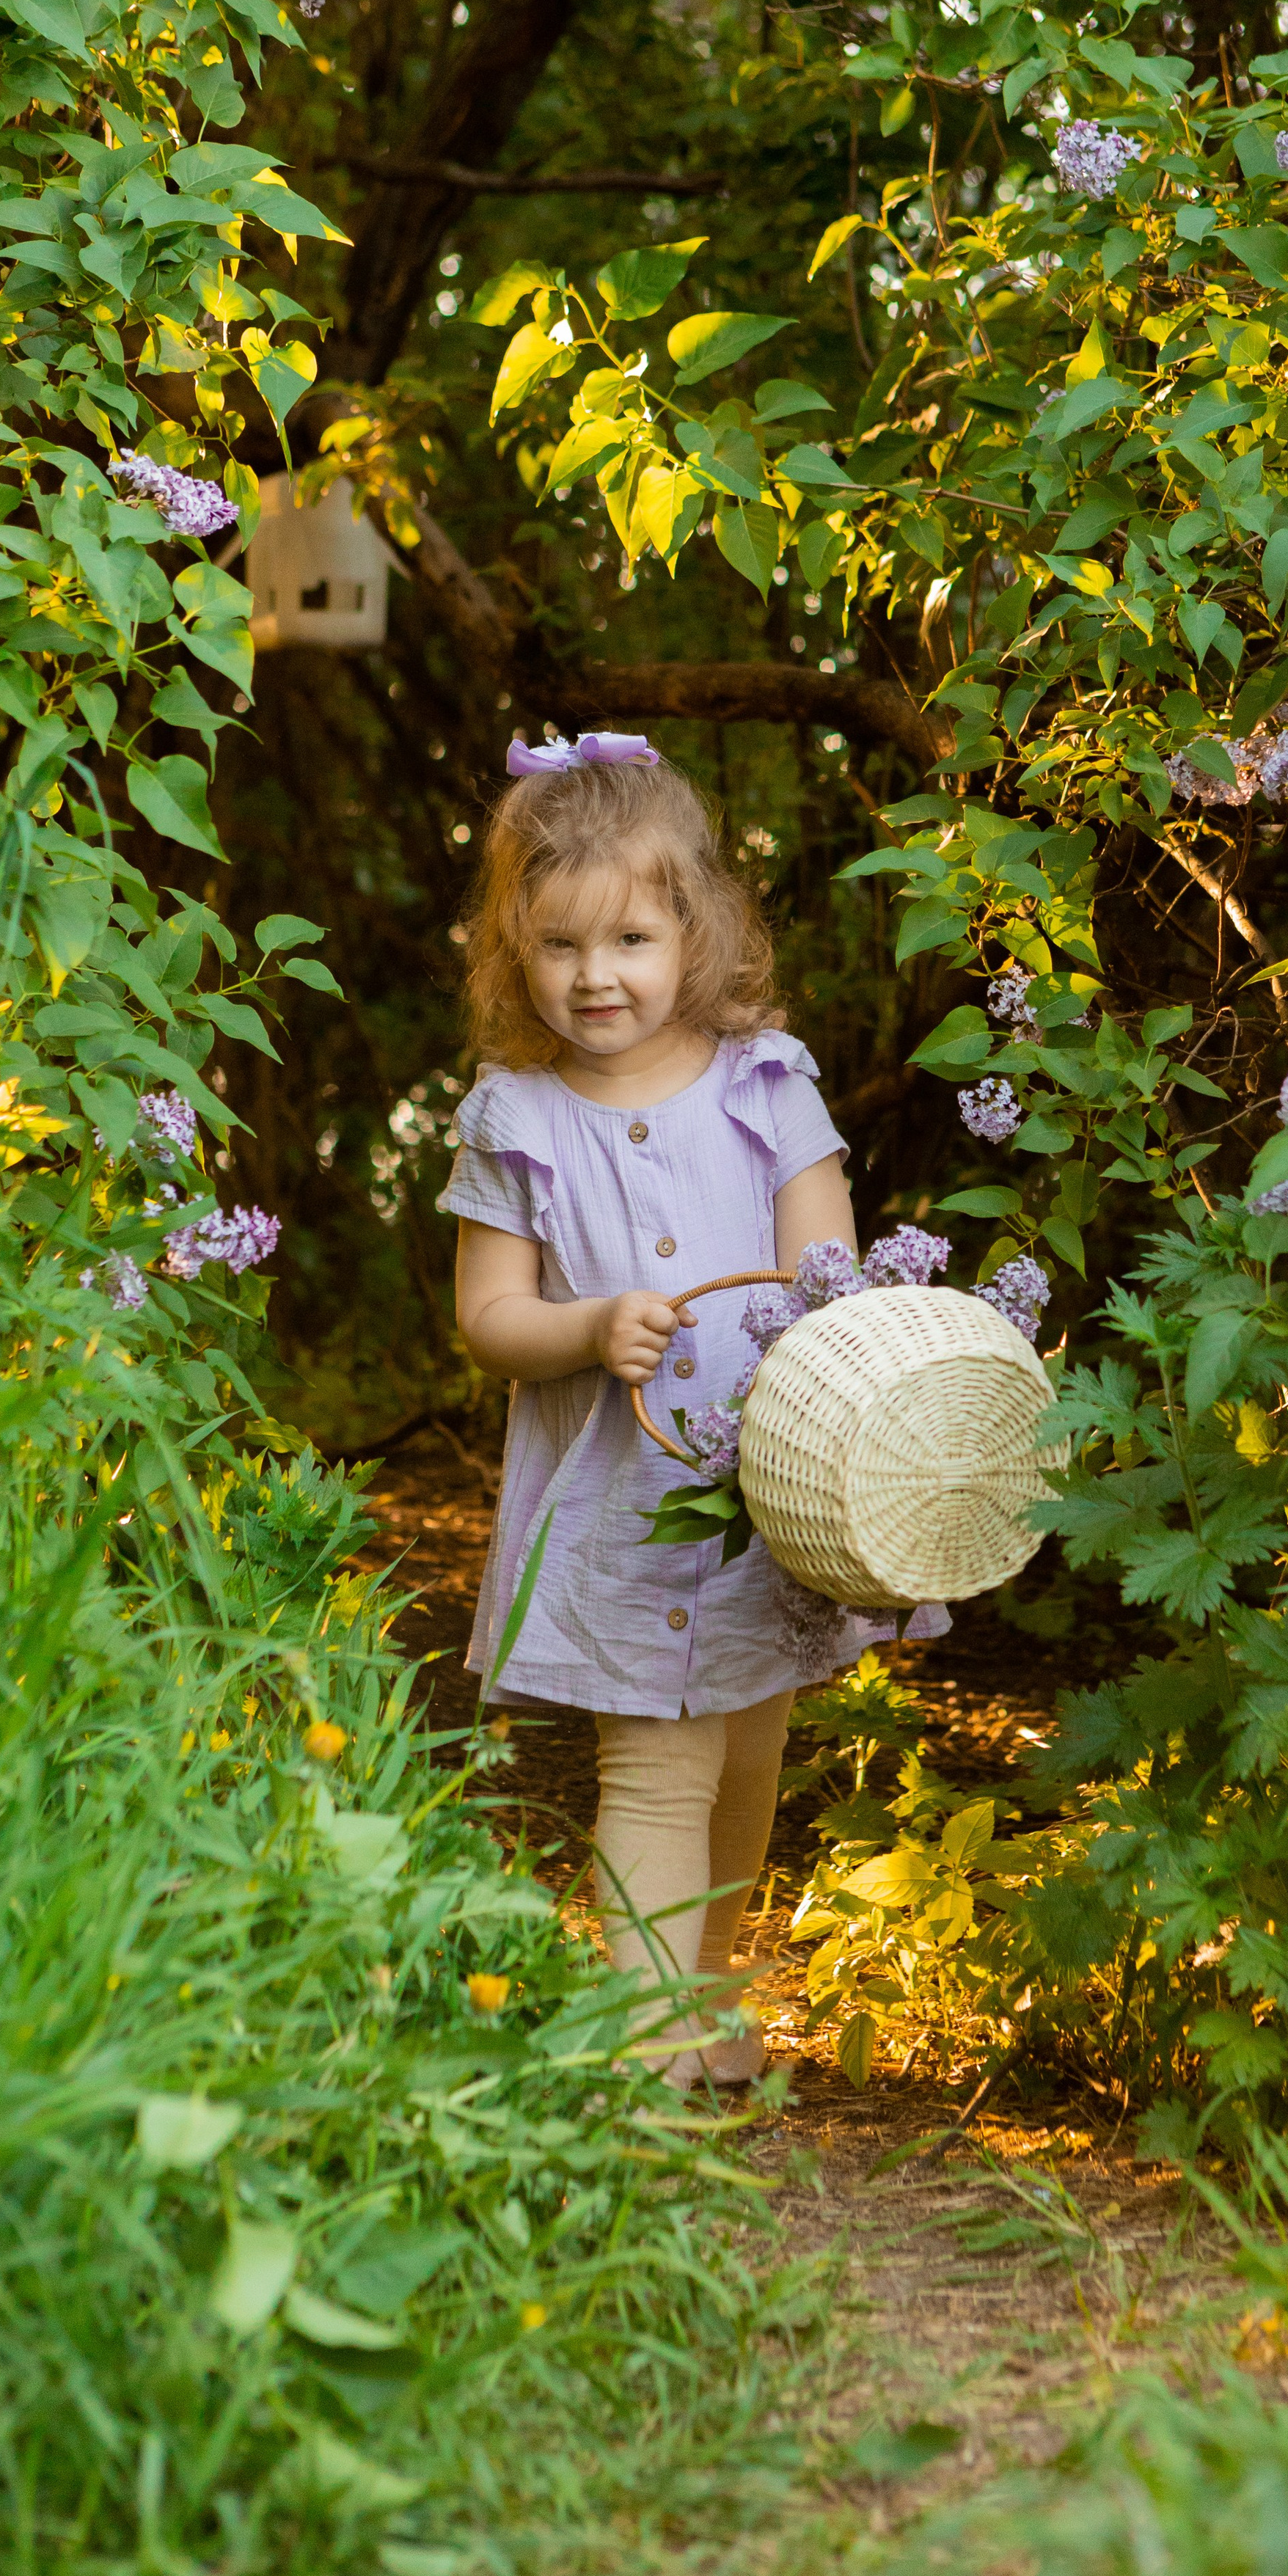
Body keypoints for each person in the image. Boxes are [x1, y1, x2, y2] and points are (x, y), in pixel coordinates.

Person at [439, 731, 866, 2090]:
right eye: (560, 946)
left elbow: (829, 1277)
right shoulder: (515, 1116)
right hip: (623, 1503)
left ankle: (712, 2001)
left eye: (629, 937)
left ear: (693, 927)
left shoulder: (763, 1083)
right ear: (516, 949)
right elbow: (491, 1317)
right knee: (658, 1775)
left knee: (746, 1753)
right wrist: (588, 1324)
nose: (596, 976)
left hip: (769, 1493)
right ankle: (644, 2062)